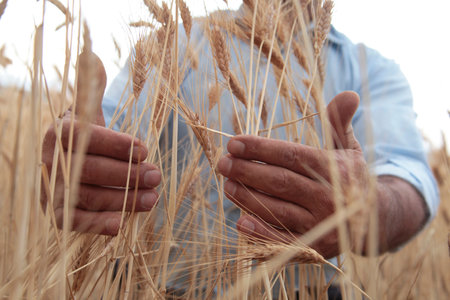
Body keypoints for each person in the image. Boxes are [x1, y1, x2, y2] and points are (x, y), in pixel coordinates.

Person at [42, 0, 439, 269]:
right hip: (155, 287)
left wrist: (370, 206)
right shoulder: (173, 41)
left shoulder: (372, 70)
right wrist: (79, 161)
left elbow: (407, 178)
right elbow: (110, 135)